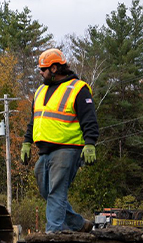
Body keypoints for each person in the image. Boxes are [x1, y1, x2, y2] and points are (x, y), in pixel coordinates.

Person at [20, 48, 98, 233]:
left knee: (56, 191)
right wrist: (26, 142)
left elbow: (89, 119)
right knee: (47, 191)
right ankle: (77, 224)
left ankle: (53, 233)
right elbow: (34, 120)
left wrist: (90, 144)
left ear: (54, 69)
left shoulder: (78, 89)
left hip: (68, 148)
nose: (40, 72)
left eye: (43, 69)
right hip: (45, 151)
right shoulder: (40, 91)